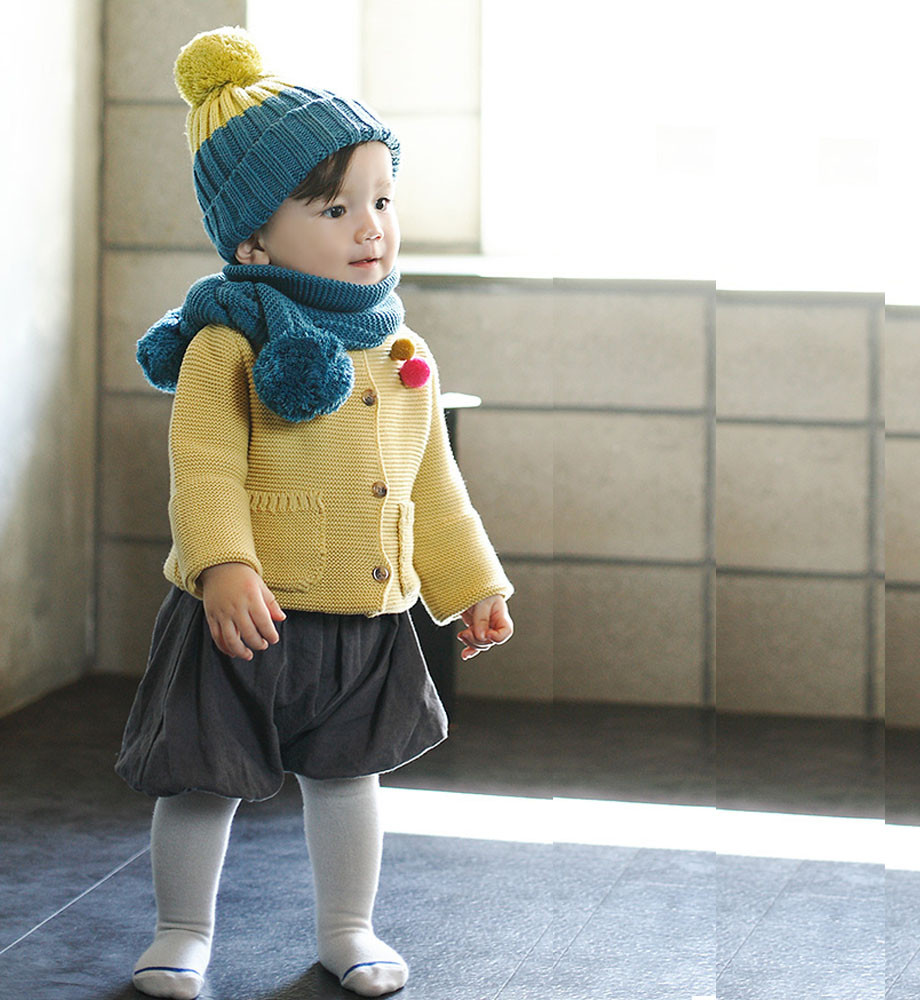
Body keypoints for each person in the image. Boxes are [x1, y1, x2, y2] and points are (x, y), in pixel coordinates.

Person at [114, 25, 514, 1000]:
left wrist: (473, 583)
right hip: (243, 614)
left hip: (362, 611)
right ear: (253, 238)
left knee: (347, 778)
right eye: (335, 207)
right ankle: (180, 932)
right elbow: (204, 467)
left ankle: (348, 929)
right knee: (202, 779)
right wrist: (223, 565)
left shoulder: (401, 346)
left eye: (382, 199)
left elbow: (431, 483)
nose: (370, 226)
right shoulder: (228, 342)